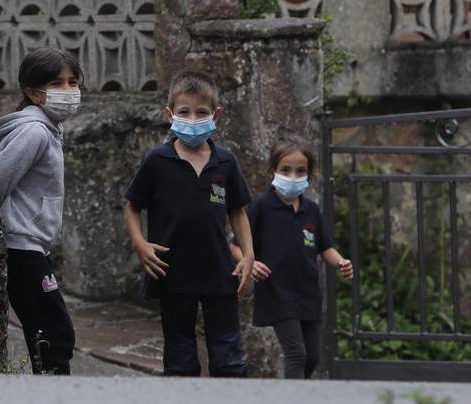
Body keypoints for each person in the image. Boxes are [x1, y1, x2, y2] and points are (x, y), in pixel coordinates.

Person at [123, 71, 255, 377]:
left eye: (201, 112)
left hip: (220, 272)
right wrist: (139, 244)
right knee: (180, 358)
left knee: (228, 359)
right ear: (170, 114)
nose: (192, 119)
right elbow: (132, 206)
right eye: (184, 112)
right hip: (172, 273)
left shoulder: (226, 162)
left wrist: (248, 254)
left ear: (216, 115)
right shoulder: (157, 160)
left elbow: (237, 211)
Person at [0, 48, 83, 375]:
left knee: (52, 334)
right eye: (57, 83)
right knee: (54, 336)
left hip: (31, 247)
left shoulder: (48, 128)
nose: (69, 91)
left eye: (73, 82)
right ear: (32, 92)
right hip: (21, 248)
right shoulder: (35, 131)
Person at [234, 137, 353, 379]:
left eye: (301, 171)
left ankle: (295, 391)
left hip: (308, 292)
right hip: (276, 293)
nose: (293, 176)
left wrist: (340, 261)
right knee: (296, 353)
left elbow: (325, 246)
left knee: (312, 357)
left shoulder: (312, 211)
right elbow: (235, 246)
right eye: (285, 170)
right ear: (272, 171)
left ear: (310, 174)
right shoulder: (260, 207)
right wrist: (250, 262)